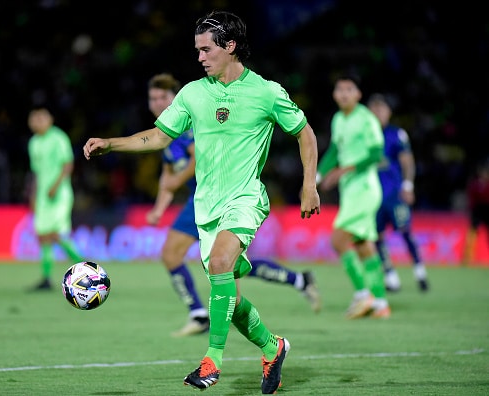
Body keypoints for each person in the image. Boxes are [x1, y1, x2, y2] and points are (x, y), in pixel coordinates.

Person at [83, 11, 321, 394]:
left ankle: (212, 360)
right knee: (232, 298)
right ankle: (272, 347)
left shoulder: (267, 92)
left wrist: (310, 184)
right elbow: (159, 137)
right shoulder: (193, 93)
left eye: (206, 49)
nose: (199, 57)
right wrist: (112, 144)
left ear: (229, 46)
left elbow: (304, 132)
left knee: (224, 263)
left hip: (245, 198)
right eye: (196, 50)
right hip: (205, 205)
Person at [145, 73, 321, 337]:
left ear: (175, 97)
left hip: (222, 199)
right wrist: (160, 206)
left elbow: (191, 164)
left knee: (222, 267)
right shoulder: (168, 131)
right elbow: (167, 174)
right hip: (200, 201)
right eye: (153, 98)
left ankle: (211, 323)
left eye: (163, 97)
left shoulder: (190, 125)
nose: (158, 103)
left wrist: (175, 183)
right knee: (217, 265)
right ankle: (295, 282)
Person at [317, 72, 390, 319]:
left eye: (349, 89)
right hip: (351, 191)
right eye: (340, 89)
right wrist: (317, 177)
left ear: (358, 94)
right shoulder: (338, 119)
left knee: (338, 240)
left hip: (365, 188)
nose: (344, 94)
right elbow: (335, 150)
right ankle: (380, 303)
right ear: (335, 94)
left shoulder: (366, 119)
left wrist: (343, 170)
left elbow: (375, 154)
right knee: (363, 245)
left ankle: (363, 295)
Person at [367, 93, 429, 292]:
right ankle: (391, 277)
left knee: (405, 231)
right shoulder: (364, 135)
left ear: (389, 112)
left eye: (381, 108)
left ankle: (419, 271)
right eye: (373, 108)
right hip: (372, 196)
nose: (377, 112)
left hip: (394, 194)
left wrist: (408, 186)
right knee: (376, 236)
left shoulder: (396, 134)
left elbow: (407, 162)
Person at [27, 106, 83, 290]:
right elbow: (35, 173)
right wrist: (33, 195)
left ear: (50, 119)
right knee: (43, 236)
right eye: (34, 118)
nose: (38, 121)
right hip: (43, 197)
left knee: (55, 235)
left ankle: (86, 268)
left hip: (59, 195)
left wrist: (55, 186)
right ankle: (46, 278)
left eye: (42, 117)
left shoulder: (58, 137)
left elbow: (68, 165)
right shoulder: (34, 142)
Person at [463, 158, 489, 264]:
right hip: (477, 211)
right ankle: (467, 258)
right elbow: (471, 199)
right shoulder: (474, 184)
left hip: (488, 211)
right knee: (472, 233)